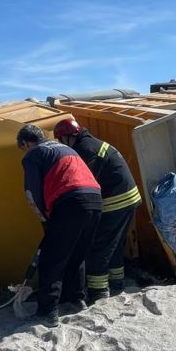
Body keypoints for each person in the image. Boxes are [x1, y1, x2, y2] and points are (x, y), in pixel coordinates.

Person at [17, 123, 101, 327]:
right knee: (76, 254)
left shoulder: (33, 154)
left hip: (70, 202)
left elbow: (32, 193)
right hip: (95, 200)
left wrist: (44, 218)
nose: (24, 151)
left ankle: (47, 312)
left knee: (51, 258)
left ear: (27, 142)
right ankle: (75, 299)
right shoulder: (66, 148)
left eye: (22, 147)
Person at [52, 118, 142, 302]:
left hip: (116, 200)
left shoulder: (85, 150)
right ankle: (117, 282)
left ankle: (98, 291)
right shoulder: (91, 143)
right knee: (114, 244)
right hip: (128, 198)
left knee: (99, 246)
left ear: (68, 137)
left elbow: (85, 182)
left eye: (61, 140)